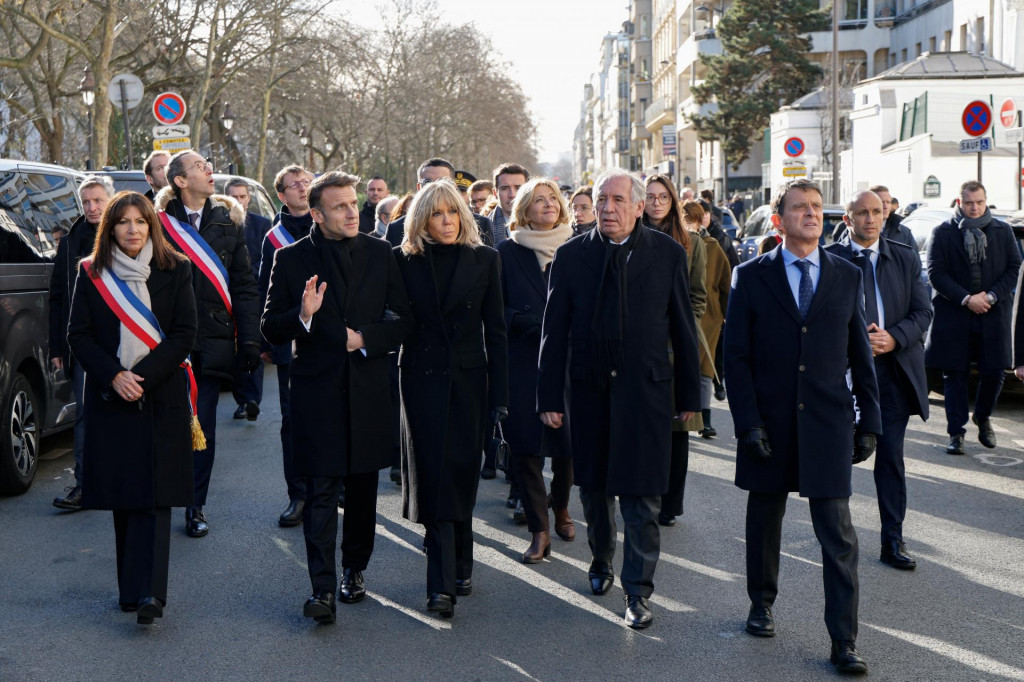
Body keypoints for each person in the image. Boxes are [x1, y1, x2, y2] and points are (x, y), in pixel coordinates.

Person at [724, 178, 881, 675]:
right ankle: (760, 604)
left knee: (839, 537)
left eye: (816, 206)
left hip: (828, 424)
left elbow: (860, 353)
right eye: (800, 207)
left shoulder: (846, 275)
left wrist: (869, 420)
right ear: (779, 220)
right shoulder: (751, 276)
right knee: (764, 522)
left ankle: (844, 641)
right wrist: (747, 423)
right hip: (768, 424)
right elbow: (736, 358)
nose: (811, 214)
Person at [537, 169, 700, 630]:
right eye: (601, 200)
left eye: (617, 200)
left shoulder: (667, 253)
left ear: (638, 206)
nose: (607, 209)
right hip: (589, 391)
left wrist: (690, 393)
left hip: (647, 392)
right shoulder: (572, 256)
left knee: (643, 496)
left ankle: (638, 592)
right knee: (594, 489)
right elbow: (554, 332)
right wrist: (549, 396)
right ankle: (601, 557)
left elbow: (682, 327)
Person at [262, 171, 413, 625]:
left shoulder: (380, 251)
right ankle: (322, 588)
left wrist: (363, 338)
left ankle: (354, 569)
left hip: (368, 389)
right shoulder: (290, 258)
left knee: (363, 490)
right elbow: (270, 328)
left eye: (353, 203)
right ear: (316, 213)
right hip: (318, 392)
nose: (352, 212)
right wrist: (303, 316)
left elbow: (406, 320)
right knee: (322, 490)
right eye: (340, 206)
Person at [66, 191, 197, 625]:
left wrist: (141, 377)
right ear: (110, 228)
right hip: (112, 398)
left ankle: (151, 594)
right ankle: (130, 591)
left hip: (160, 394)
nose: (132, 229)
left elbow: (185, 333)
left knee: (156, 496)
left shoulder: (176, 268)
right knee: (126, 495)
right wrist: (114, 376)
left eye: (140, 221)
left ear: (151, 225)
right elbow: (78, 334)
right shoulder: (91, 272)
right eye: (123, 221)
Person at [394, 179, 508, 618]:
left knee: (460, 472)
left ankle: (462, 557)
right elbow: (394, 321)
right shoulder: (402, 260)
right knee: (433, 474)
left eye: (453, 212)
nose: (446, 221)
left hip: (468, 382)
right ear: (421, 220)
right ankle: (439, 586)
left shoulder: (486, 259)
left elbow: (495, 332)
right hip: (420, 380)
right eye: (437, 214)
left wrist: (500, 396)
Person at [155, 150, 260, 538]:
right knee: (168, 426)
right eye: (200, 166)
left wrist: (249, 340)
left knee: (203, 428)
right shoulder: (159, 224)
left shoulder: (229, 222)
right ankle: (162, 497)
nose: (209, 170)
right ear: (180, 181)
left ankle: (194, 505)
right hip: (167, 343)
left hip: (213, 341)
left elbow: (244, 286)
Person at [825, 190, 932, 571]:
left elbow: (923, 312)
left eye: (876, 212)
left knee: (890, 459)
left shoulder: (904, 256)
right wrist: (853, 344)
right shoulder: (829, 259)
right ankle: (837, 543)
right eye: (862, 213)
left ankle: (893, 540)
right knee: (839, 458)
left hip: (893, 372)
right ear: (847, 219)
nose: (870, 219)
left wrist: (894, 338)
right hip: (843, 374)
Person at [498, 178, 575, 563]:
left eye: (553, 199)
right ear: (524, 210)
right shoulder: (506, 253)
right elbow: (495, 308)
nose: (549, 204)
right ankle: (539, 530)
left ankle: (560, 506)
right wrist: (523, 320)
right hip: (523, 362)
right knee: (526, 449)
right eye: (539, 200)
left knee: (567, 448)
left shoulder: (578, 248)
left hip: (570, 364)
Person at [925, 181, 1021, 454]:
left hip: (993, 312)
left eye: (979, 202)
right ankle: (956, 433)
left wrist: (990, 296)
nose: (974, 208)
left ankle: (983, 416)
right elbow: (935, 273)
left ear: (985, 201)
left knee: (995, 371)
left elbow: (1014, 268)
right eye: (969, 203)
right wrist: (967, 299)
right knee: (955, 374)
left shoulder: (1003, 231)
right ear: (960, 202)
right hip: (955, 313)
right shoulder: (943, 232)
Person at [643, 175, 706, 528]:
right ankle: (643, 493)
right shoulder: (630, 236)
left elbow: (698, 296)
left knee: (677, 428)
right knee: (644, 427)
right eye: (650, 197)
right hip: (641, 344)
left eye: (663, 197)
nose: (656, 203)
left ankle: (671, 503)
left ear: (673, 202)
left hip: (676, 345)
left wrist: (680, 329)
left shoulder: (691, 242)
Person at [50, 174, 115, 511]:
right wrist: (57, 347)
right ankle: (84, 485)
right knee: (85, 416)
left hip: (125, 340)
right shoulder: (71, 241)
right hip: (83, 343)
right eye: (86, 201)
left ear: (110, 200)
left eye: (97, 200)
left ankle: (124, 481)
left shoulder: (127, 232)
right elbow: (57, 297)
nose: (91, 207)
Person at [260, 165, 317, 526]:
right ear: (281, 195)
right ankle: (298, 494)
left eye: (307, 182)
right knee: (293, 421)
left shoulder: (331, 225)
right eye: (294, 185)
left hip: (332, 339)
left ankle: (333, 485)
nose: (302, 188)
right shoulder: (273, 238)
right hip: (291, 343)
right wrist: (263, 341)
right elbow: (264, 292)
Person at [682, 200, 731, 444]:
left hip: (710, 317)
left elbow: (725, 283)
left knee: (704, 369)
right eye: (686, 219)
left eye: (693, 220)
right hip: (684, 314)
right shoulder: (679, 244)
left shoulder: (713, 246)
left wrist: (725, 315)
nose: (691, 224)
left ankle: (706, 420)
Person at [225, 177, 271, 423]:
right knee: (234, 350)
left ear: (249, 198)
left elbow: (266, 260)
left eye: (242, 196)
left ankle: (252, 399)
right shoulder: (219, 223)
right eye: (234, 196)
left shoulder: (262, 224)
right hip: (225, 296)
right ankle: (241, 399)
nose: (239, 201)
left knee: (253, 345)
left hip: (254, 296)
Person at [386, 159, 494, 247]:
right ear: (419, 187)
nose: (436, 188)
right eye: (428, 183)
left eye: (443, 182)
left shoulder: (480, 224)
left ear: (454, 185)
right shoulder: (397, 229)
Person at [488, 162, 530, 245]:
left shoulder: (544, 225)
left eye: (518, 188)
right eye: (504, 188)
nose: (512, 195)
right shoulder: (482, 230)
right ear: (495, 193)